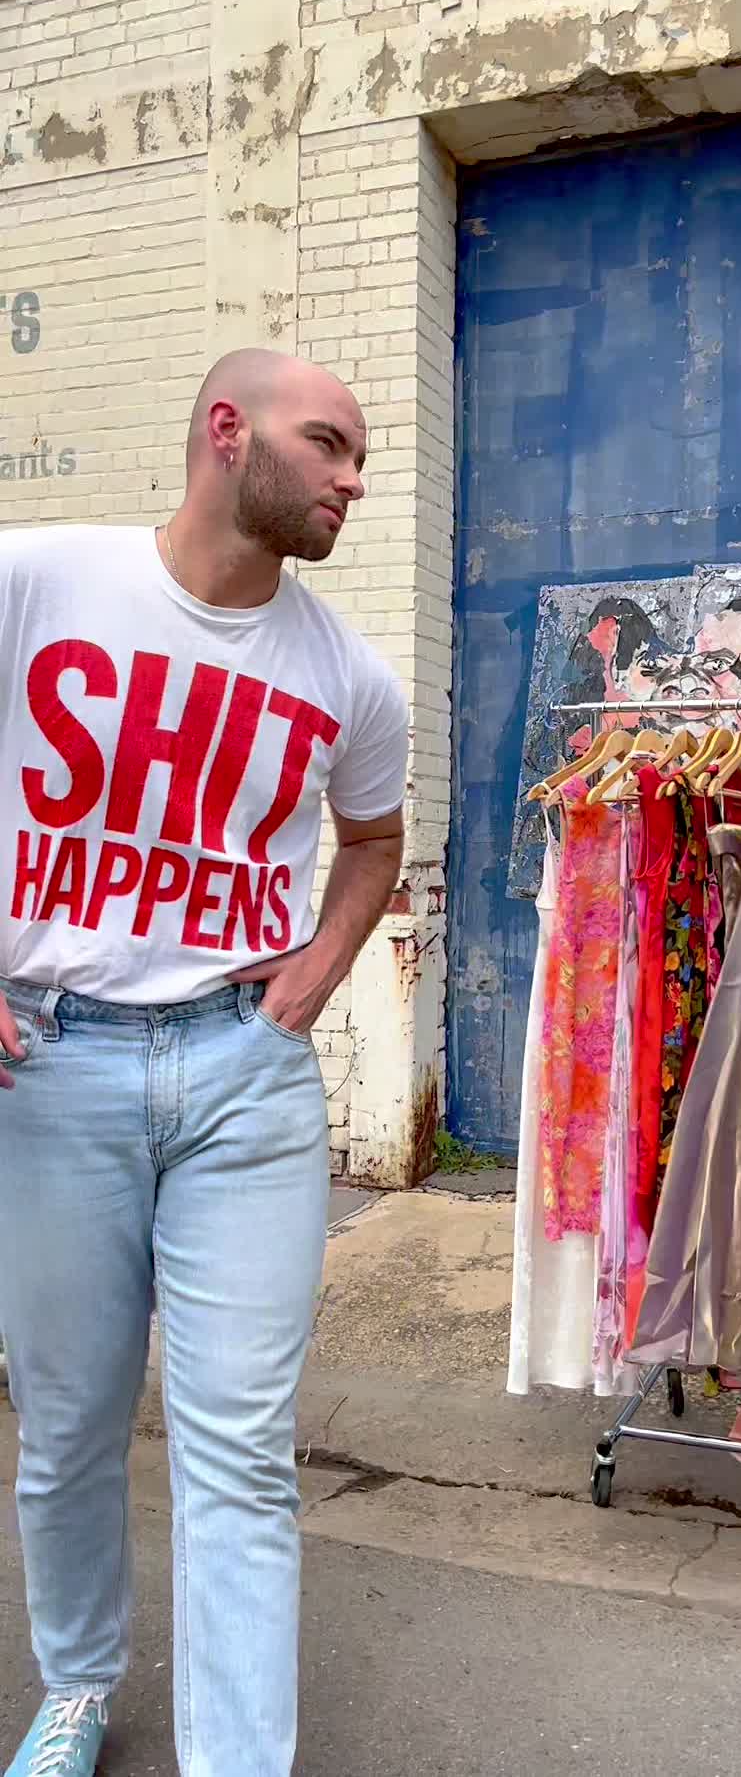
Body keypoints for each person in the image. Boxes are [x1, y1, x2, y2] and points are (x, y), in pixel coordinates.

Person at [0, 350, 409, 1777]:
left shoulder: (349, 674)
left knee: (236, 1446)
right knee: (66, 1427)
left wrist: (317, 972)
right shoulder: (38, 582)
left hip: (246, 1074)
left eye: (361, 456)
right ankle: (76, 1687)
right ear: (228, 433)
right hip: (51, 1070)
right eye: (330, 444)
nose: (354, 479)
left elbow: (372, 843)